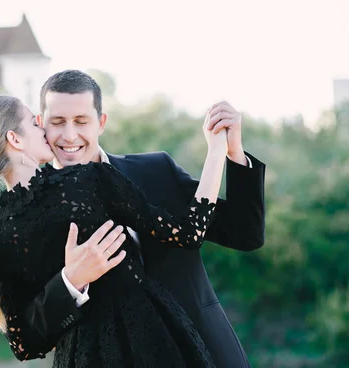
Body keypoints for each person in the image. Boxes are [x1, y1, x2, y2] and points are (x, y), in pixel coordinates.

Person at [0, 94, 230, 367]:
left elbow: (23, 345)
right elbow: (23, 344)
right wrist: (70, 281)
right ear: (15, 139)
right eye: (33, 123)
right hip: (145, 347)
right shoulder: (83, 183)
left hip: (139, 348)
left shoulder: (5, 232)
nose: (44, 130)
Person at [24, 70, 266, 367]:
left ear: (101, 123)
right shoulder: (32, 212)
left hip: (205, 351)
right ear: (40, 124)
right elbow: (29, 333)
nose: (70, 135)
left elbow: (245, 233)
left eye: (81, 121)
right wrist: (71, 281)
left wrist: (234, 153)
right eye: (58, 122)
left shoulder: (156, 171)